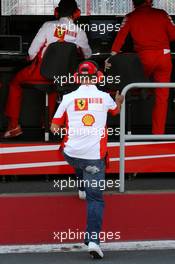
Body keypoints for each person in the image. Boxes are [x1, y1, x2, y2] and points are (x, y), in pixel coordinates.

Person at [50, 60, 124, 259]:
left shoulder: (67, 97)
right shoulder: (105, 97)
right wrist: (118, 102)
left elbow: (54, 126)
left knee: (73, 155)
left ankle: (81, 186)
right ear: (97, 77)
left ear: (77, 78)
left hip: (71, 154)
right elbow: (115, 111)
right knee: (95, 199)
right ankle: (93, 241)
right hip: (94, 159)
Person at [4, 0, 92, 138]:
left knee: (15, 82)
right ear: (77, 13)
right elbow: (87, 55)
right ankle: (49, 122)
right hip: (64, 78)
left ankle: (14, 125)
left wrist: (30, 58)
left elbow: (32, 52)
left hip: (41, 74)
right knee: (55, 84)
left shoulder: (47, 26)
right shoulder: (79, 32)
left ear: (56, 12)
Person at [108, 0, 175, 134]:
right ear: (150, 1)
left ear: (134, 2)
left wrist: (111, 56)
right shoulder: (162, 14)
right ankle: (158, 135)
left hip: (142, 59)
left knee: (136, 80)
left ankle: (144, 88)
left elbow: (120, 39)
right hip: (164, 57)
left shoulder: (130, 17)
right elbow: (173, 35)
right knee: (162, 98)